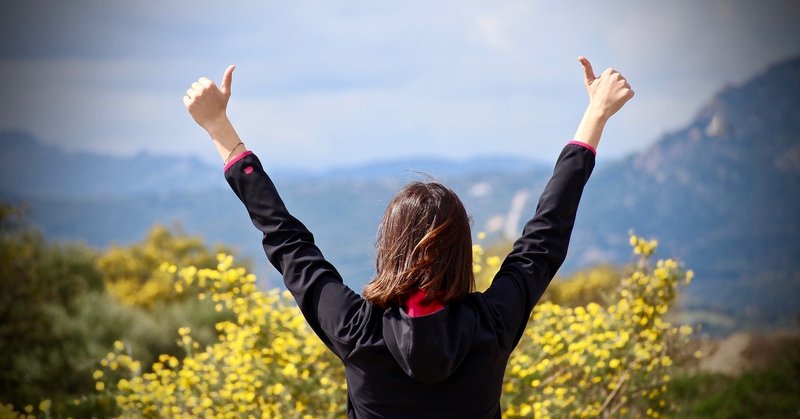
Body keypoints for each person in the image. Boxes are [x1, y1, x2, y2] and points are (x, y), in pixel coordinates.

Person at [183, 56, 633, 418]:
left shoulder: (356, 329)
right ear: (462, 250)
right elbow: (546, 235)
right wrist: (595, 115)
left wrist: (219, 128)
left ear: (389, 246)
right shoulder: (491, 324)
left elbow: (285, 238)